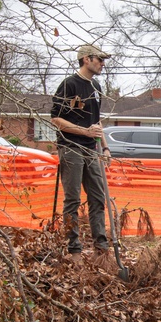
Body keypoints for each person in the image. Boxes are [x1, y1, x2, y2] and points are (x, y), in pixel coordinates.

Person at [50, 44, 112, 264]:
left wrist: (104, 146)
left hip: (91, 148)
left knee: (97, 197)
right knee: (73, 199)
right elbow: (55, 119)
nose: (103, 63)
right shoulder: (68, 84)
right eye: (100, 59)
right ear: (86, 59)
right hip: (70, 147)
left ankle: (101, 250)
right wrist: (83, 131)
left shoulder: (96, 86)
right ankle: (74, 250)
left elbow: (97, 120)